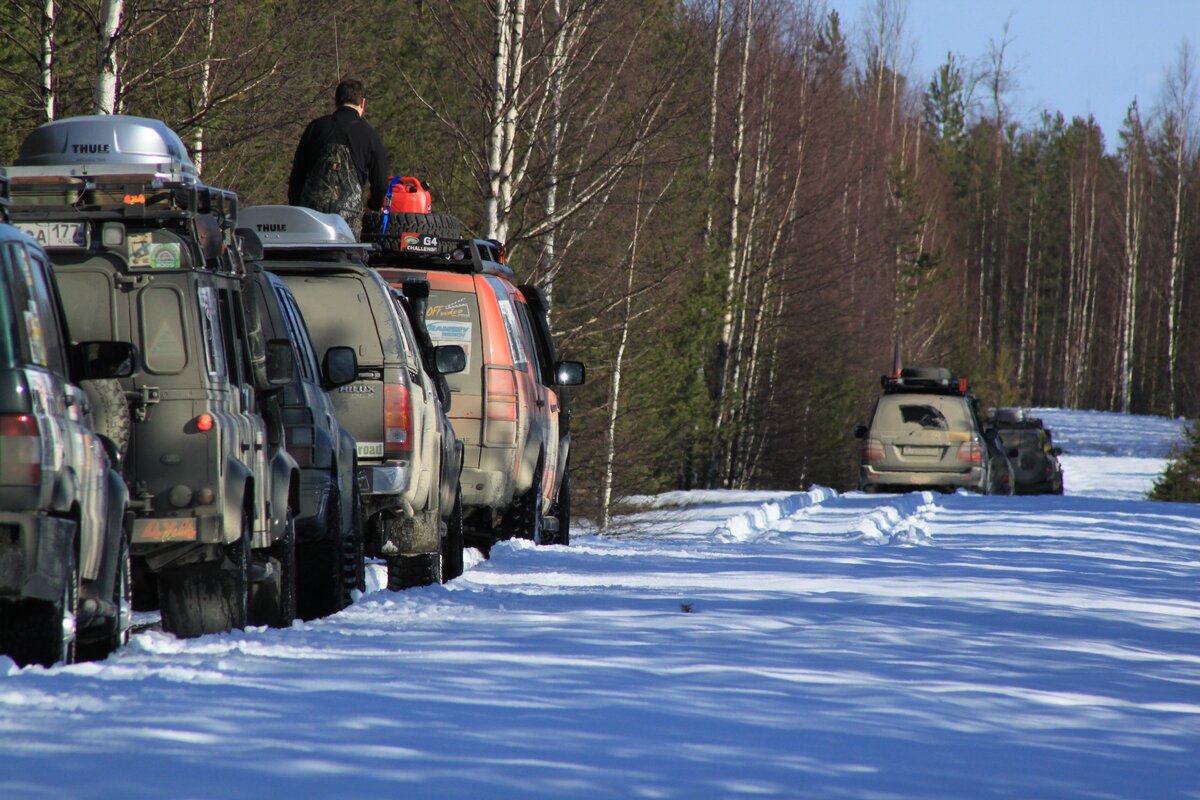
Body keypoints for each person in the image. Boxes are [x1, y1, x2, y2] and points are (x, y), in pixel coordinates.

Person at [288, 78, 389, 238]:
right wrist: (372, 207)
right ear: (363, 103)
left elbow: (297, 176)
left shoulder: (315, 127)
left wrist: (297, 207)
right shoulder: (370, 135)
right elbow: (381, 184)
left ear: (336, 101)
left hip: (311, 218)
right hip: (348, 223)